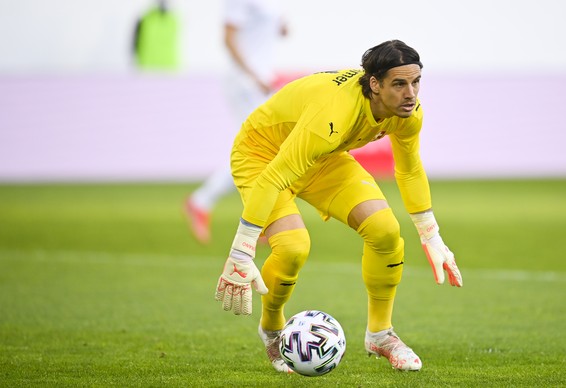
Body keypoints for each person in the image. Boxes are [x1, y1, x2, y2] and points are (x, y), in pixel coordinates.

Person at [214, 40, 463, 373]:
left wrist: (430, 235)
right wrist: (241, 251)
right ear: (374, 84)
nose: (411, 93)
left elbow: (409, 168)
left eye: (416, 82)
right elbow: (274, 177)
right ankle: (272, 329)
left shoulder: (408, 113)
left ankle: (381, 334)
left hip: (321, 158)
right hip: (262, 155)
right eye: (399, 84)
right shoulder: (333, 114)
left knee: (385, 231)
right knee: (292, 249)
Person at [184, 0, 287, 244]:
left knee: (266, 149)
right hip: (246, 82)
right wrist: (253, 76)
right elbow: (228, 39)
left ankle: (207, 203)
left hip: (262, 79)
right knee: (259, 149)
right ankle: (208, 203)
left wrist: (281, 26)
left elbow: (278, 30)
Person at [132, 0, 181, 71]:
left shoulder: (174, 19)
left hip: (169, 66)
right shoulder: (145, 18)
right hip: (147, 67)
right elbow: (135, 41)